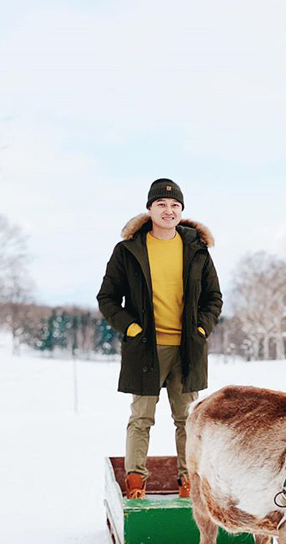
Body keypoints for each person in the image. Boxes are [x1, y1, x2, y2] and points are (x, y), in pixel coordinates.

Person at [97, 178, 222, 499]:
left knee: (187, 420)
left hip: (187, 350)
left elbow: (213, 298)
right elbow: (107, 298)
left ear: (181, 211)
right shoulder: (128, 251)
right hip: (145, 350)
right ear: (150, 208)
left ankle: (188, 482)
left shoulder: (197, 249)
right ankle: (136, 482)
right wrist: (132, 328)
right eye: (162, 205)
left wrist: (201, 329)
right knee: (141, 418)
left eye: (175, 205)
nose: (169, 210)